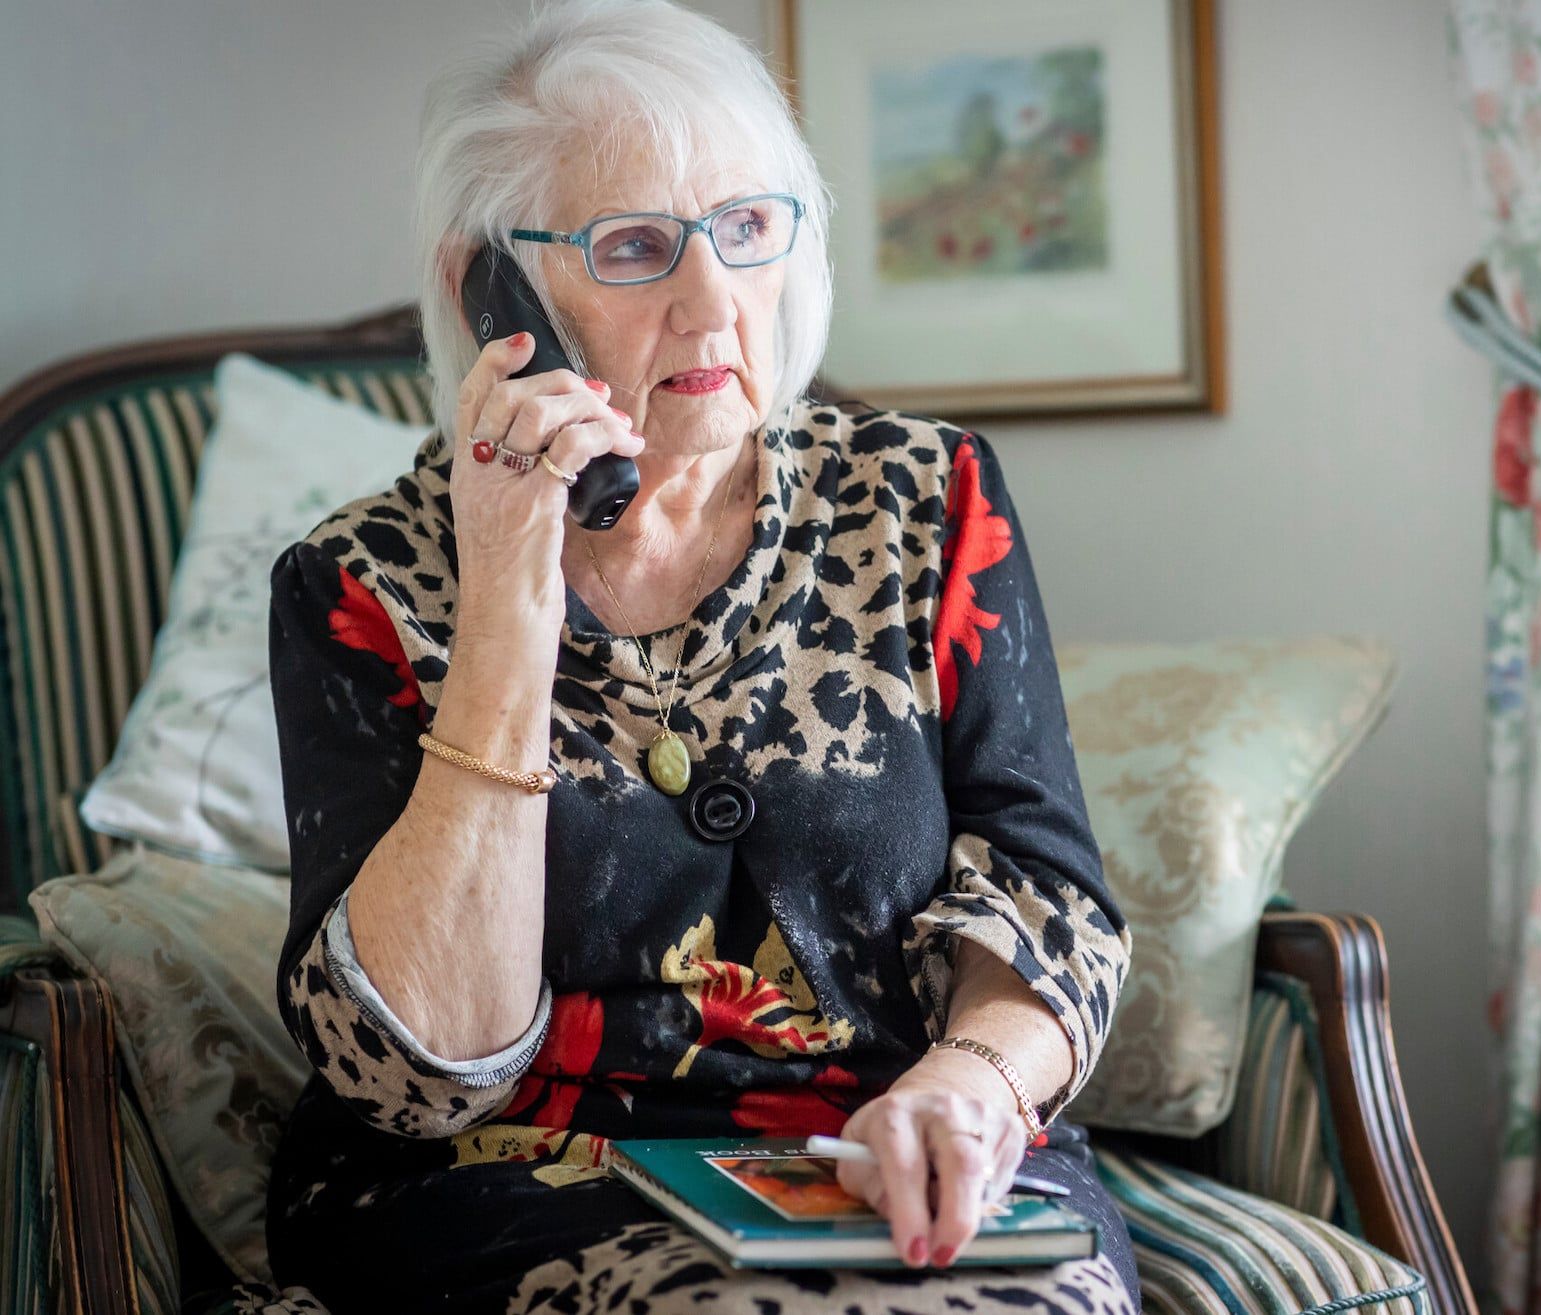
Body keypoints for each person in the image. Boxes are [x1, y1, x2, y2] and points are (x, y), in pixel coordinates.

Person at [261, 2, 1134, 1310]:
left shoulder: (921, 499)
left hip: (899, 1143)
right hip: (514, 1182)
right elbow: (417, 1075)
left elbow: (1043, 888)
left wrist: (971, 1086)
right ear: (489, 290)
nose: (714, 301)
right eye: (633, 247)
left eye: (747, 226)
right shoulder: (360, 583)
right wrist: (510, 597)